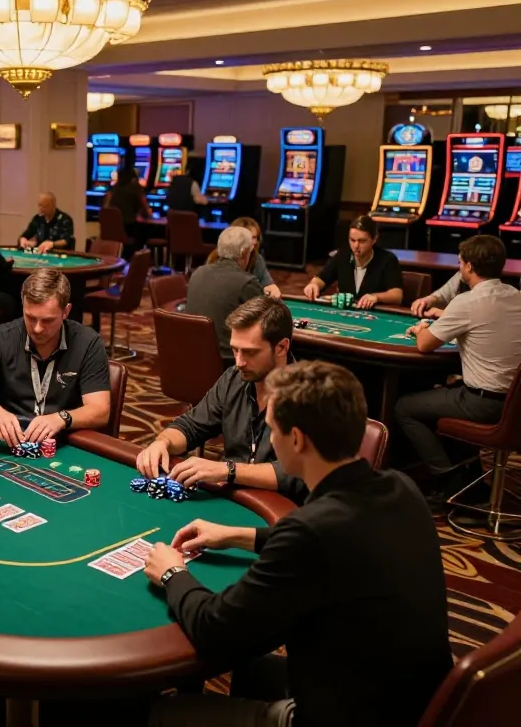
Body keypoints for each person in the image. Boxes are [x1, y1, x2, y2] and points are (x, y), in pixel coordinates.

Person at [143, 361, 451, 727]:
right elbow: (339, 541)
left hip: (348, 715)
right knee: (252, 671)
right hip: (416, 700)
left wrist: (172, 573)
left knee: (157, 714)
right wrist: (235, 535)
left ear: (297, 439)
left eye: (273, 430)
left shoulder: (309, 531)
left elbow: (215, 629)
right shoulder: (402, 488)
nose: (271, 440)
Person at [137, 296, 306, 503]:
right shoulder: (234, 378)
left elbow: (297, 473)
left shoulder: (309, 395)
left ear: (281, 347)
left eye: (250, 352)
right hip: (235, 500)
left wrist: (228, 470)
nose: (239, 362)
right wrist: (163, 442)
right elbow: (192, 425)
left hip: (282, 510)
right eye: (235, 350)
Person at [396, 235, 521, 505]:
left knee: (405, 407)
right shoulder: (516, 296)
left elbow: (424, 345)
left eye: (460, 262)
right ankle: (469, 477)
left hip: (483, 404)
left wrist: (422, 328)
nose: (459, 267)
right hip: (515, 405)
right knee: (446, 394)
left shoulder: (466, 302)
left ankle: (449, 479)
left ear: (469, 268)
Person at [0, 269, 110, 446]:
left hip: (66, 441)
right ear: (23, 305)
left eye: (48, 320)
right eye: (31, 318)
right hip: (13, 440)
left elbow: (100, 411)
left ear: (66, 311)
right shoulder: (3, 337)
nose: (38, 328)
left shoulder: (87, 342)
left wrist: (60, 418)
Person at [184, 225, 263, 365]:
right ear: (245, 253)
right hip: (229, 362)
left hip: (192, 355)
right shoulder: (246, 283)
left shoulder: (197, 273)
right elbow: (266, 323)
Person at [303, 215, 403, 309]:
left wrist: (376, 297)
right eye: (352, 240)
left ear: (374, 239)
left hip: (374, 314)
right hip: (346, 314)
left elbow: (397, 295)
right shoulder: (343, 255)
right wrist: (313, 285)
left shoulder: (387, 259)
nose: (356, 246)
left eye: (362, 241)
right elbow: (321, 279)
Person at [204, 217, 281, 299]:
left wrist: (272, 288)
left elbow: (268, 284)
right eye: (249, 238)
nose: (253, 242)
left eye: (254, 237)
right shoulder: (217, 258)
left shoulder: (257, 258)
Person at [104, 167, 153, 251]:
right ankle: (145, 260)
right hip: (128, 230)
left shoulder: (112, 190)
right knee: (152, 231)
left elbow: (105, 209)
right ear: (133, 177)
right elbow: (146, 213)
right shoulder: (135, 188)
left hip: (111, 233)